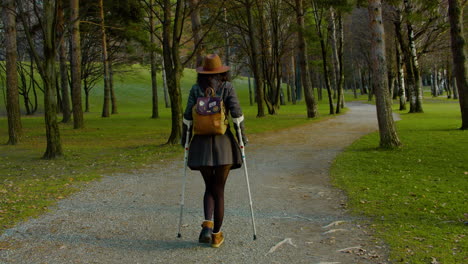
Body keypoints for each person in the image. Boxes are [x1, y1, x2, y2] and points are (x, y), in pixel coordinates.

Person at [181, 54, 247, 248]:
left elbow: (187, 117)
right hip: (224, 147)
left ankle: (207, 226)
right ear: (222, 71)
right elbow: (237, 116)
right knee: (219, 190)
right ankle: (217, 236)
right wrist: (243, 139)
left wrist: (184, 141)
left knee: (209, 187)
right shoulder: (227, 87)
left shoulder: (195, 89)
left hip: (201, 146)